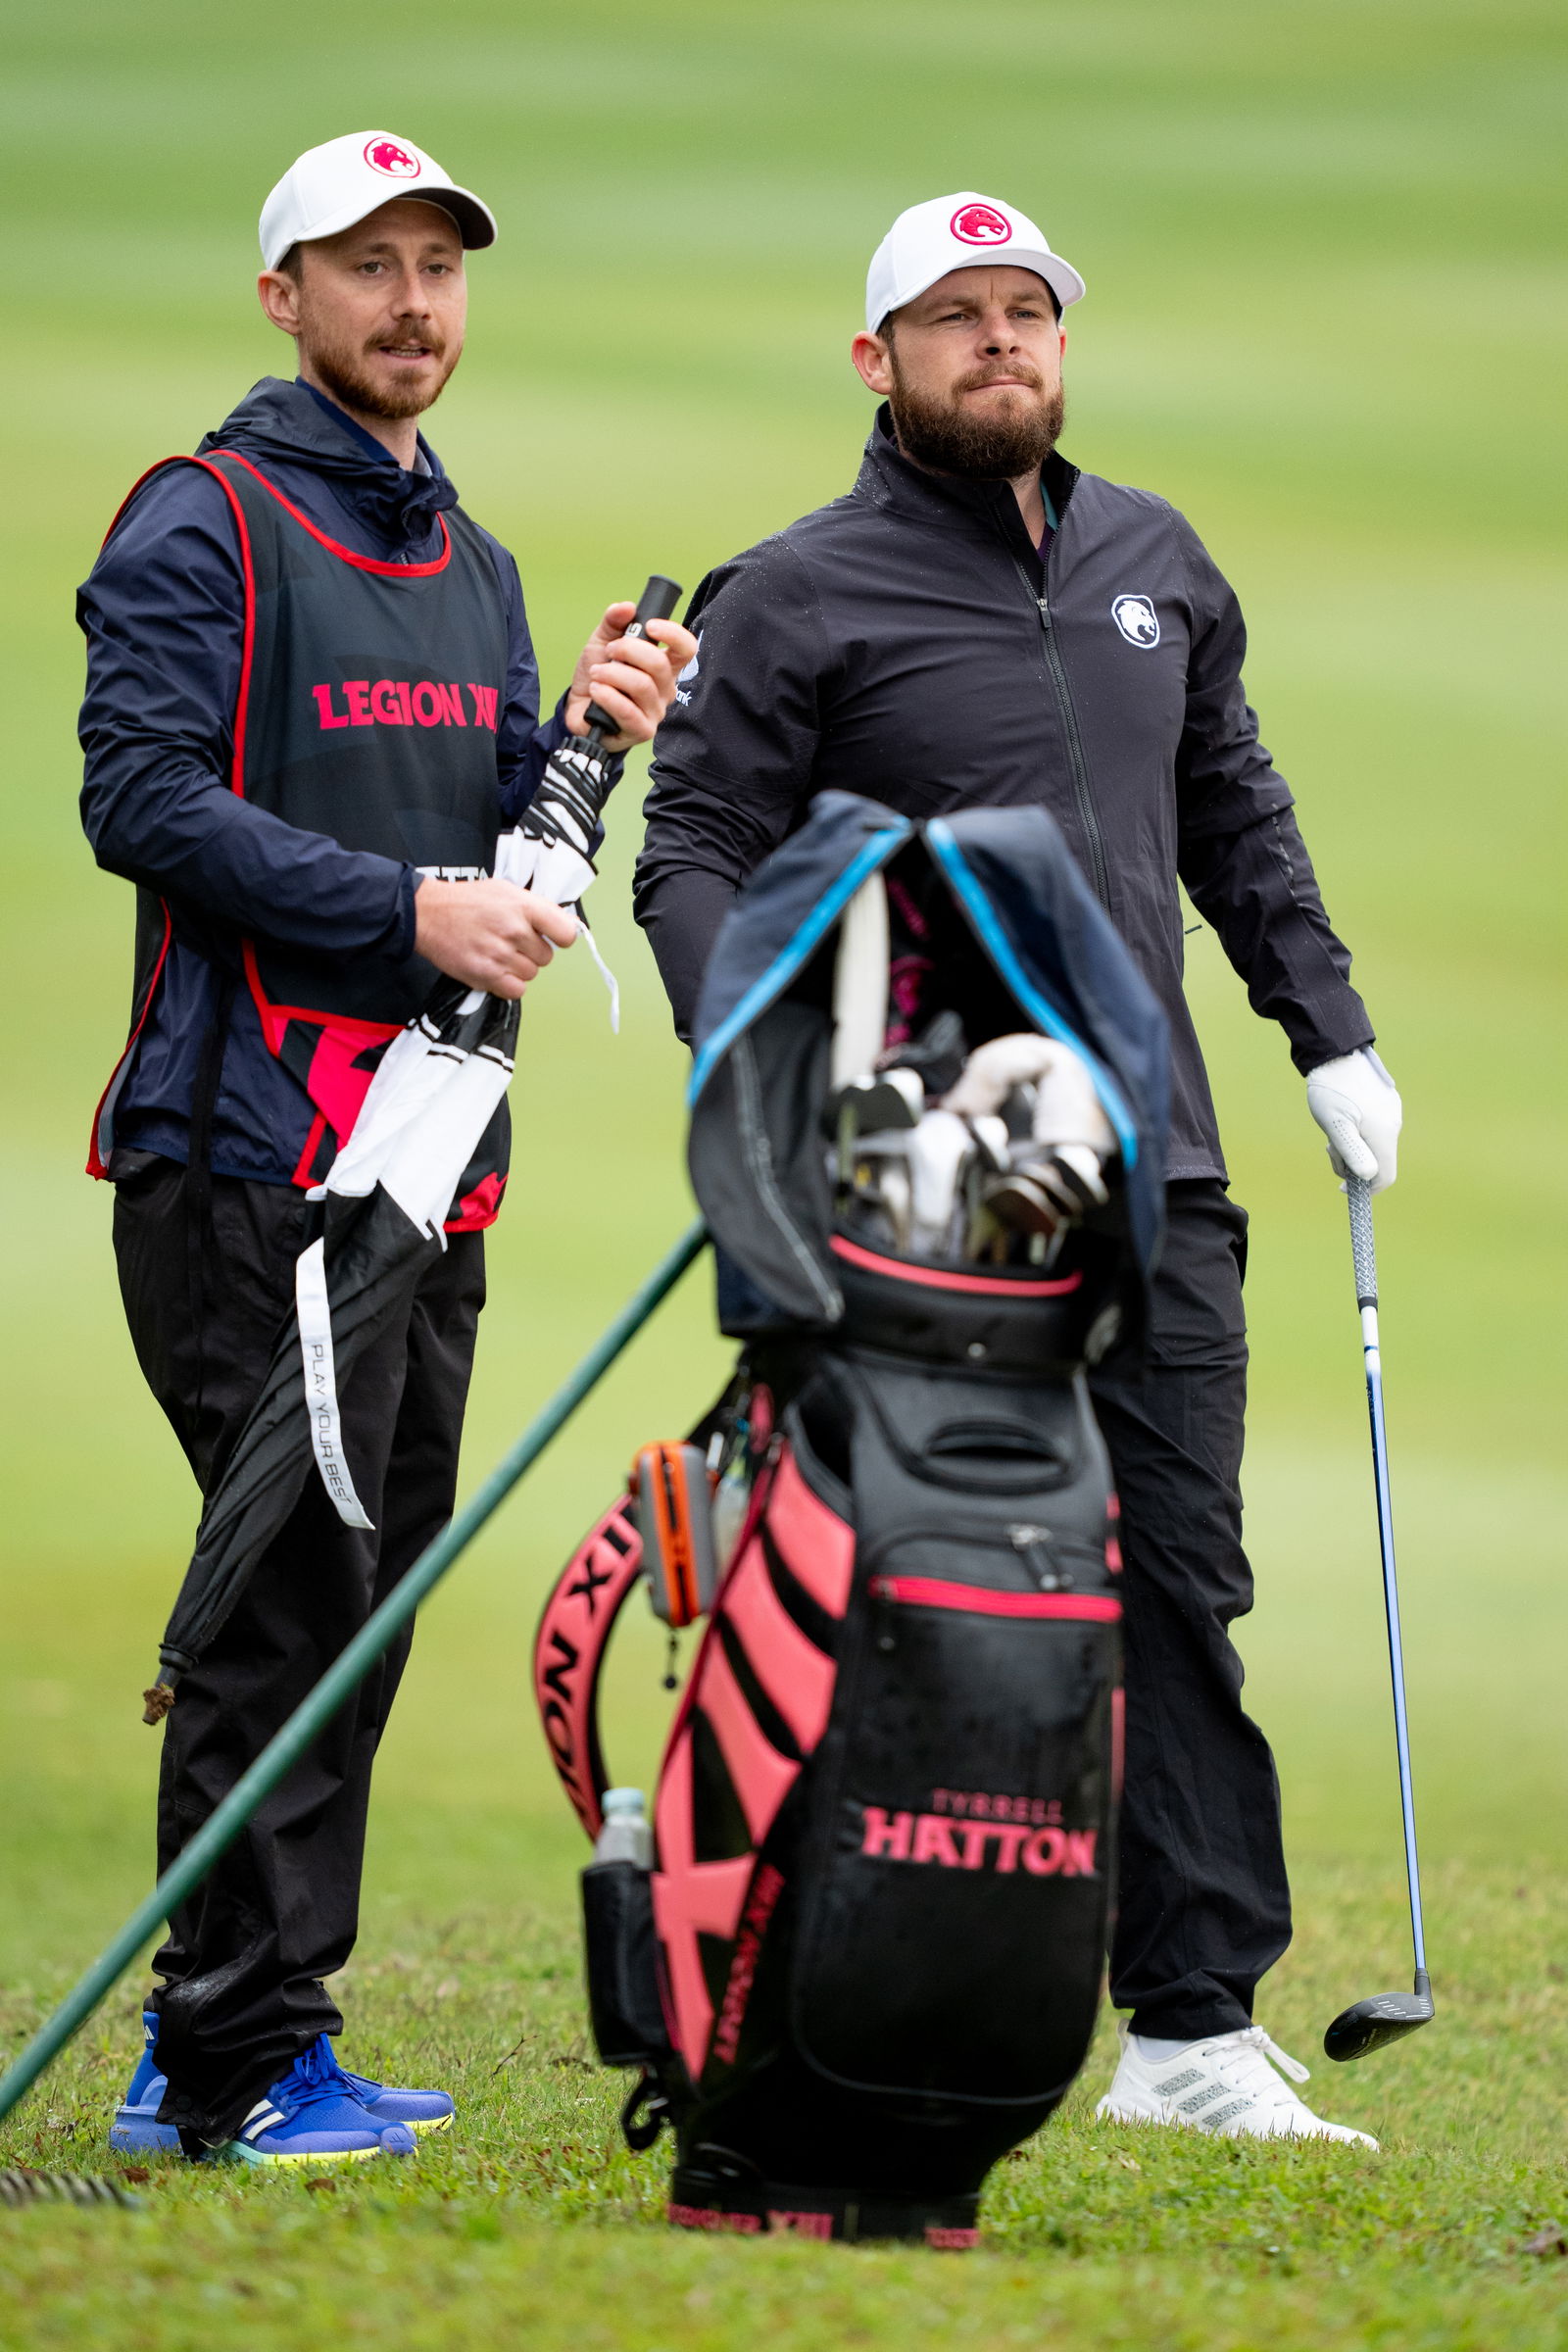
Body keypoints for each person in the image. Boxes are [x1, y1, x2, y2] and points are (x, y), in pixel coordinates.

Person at [634, 192, 1401, 2144]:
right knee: (909, 1586)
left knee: (1175, 1580)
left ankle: (1188, 2026)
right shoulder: (793, 591)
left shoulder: (1155, 560)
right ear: (873, 357)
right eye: (952, 317)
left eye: (1025, 313)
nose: (997, 344)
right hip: (922, 1183)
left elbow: (1230, 807)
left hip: (1154, 1168)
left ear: (1060, 343)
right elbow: (693, 844)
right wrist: (758, 1066)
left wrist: (1328, 1032)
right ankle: (784, 1959)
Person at [81, 129, 696, 2167]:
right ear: (285, 296)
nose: (413, 303)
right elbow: (143, 802)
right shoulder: (207, 518)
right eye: (367, 267)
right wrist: (402, 908)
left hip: (429, 1168)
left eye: (438, 265)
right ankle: (232, 2060)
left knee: (353, 1602)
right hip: (245, 1148)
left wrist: (582, 744)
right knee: (279, 1602)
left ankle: (246, 2044)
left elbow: (500, 846)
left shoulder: (476, 560)